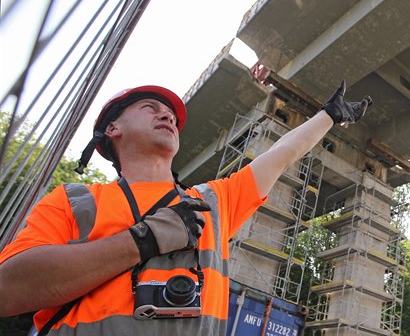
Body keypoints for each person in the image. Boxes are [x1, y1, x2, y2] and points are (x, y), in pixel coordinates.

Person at [0, 82, 372, 335]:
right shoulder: (76, 200)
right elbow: (8, 291)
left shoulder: (212, 201)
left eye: (172, 116)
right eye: (151, 108)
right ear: (112, 128)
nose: (167, 117)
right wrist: (140, 242)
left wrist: (329, 116)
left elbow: (281, 157)